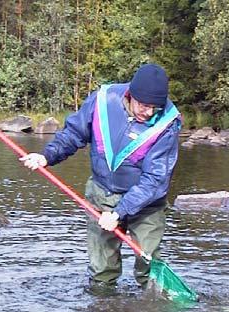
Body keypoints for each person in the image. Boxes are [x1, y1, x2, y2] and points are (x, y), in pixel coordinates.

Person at [20, 63, 182, 288]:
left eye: (156, 107)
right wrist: (47, 156)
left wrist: (119, 213)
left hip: (146, 205)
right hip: (101, 195)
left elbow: (155, 180)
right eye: (145, 106)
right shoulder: (103, 101)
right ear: (130, 95)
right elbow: (74, 133)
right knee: (102, 270)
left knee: (148, 264)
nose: (150, 113)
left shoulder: (167, 125)